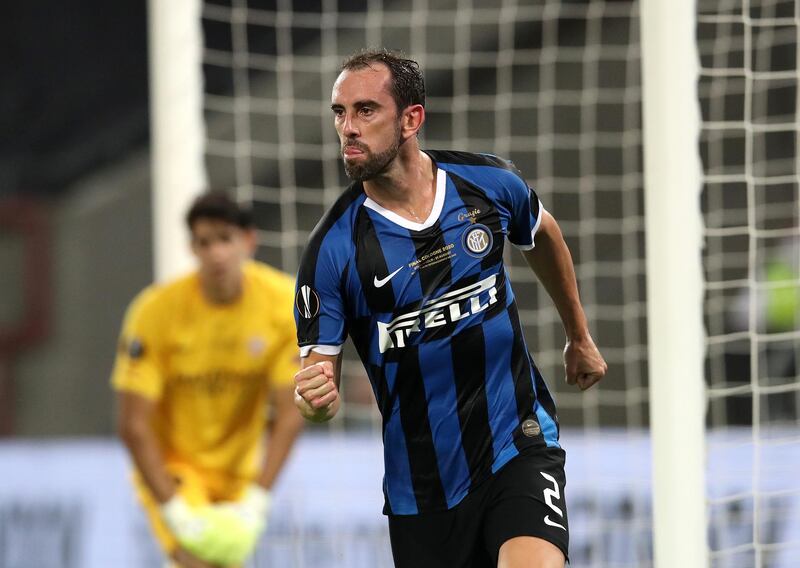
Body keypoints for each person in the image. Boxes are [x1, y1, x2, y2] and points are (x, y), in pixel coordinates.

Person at [292, 48, 607, 568]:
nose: (348, 127)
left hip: (516, 442)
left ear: (411, 118)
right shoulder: (331, 250)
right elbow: (316, 384)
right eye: (339, 113)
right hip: (422, 488)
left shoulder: (486, 185)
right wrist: (315, 401)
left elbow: (543, 232)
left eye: (366, 110)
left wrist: (579, 334)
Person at [112, 191, 304, 568]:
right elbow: (134, 425)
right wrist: (172, 509)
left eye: (224, 239)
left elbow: (289, 412)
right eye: (204, 242)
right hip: (176, 469)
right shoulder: (155, 313)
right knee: (195, 559)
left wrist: (257, 501)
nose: (216, 253)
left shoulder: (282, 303)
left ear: (248, 242)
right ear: (192, 249)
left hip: (240, 474)